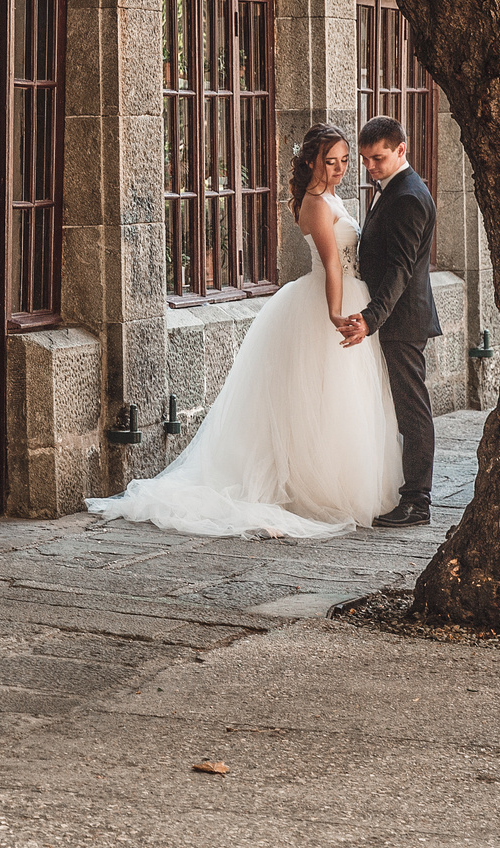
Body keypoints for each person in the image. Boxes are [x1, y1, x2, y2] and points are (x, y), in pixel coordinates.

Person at [86, 123, 402, 538]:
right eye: (331, 161)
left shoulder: (331, 196)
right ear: (311, 161)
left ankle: (346, 480)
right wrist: (334, 313)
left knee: (344, 400)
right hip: (328, 301)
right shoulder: (315, 205)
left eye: (345, 161)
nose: (341, 168)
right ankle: (319, 489)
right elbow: (330, 266)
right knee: (322, 399)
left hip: (351, 294)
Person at [334, 116, 441, 527]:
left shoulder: (409, 196)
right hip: (396, 317)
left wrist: (370, 318)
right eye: (365, 160)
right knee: (402, 407)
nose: (370, 167)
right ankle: (411, 494)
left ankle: (417, 501)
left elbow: (400, 268)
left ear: (402, 149)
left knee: (412, 410)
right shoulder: (394, 189)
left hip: (402, 320)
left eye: (377, 158)